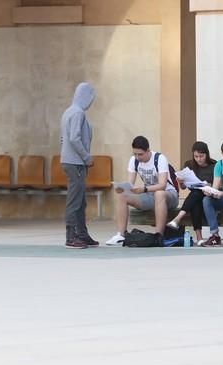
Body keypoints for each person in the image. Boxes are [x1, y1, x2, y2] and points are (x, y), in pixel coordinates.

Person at [105, 136, 179, 245]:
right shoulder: (133, 160)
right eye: (135, 154)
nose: (137, 157)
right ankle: (121, 234)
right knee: (122, 196)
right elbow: (130, 184)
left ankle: (158, 235)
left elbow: (162, 185)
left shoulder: (159, 158)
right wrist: (123, 188)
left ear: (148, 151)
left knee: (159, 194)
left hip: (168, 195)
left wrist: (144, 189)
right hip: (148, 195)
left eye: (140, 154)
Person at [60, 82, 97, 249]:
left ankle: (81, 233)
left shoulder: (68, 112)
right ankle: (72, 236)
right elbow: (74, 138)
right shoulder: (78, 113)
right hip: (76, 162)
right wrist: (86, 157)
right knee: (75, 200)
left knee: (80, 200)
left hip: (70, 160)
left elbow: (63, 139)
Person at [166, 141, 216, 245]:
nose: (198, 159)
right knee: (196, 198)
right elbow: (184, 187)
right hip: (195, 197)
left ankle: (178, 219)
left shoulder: (214, 165)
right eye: (196, 156)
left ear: (207, 154)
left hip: (209, 196)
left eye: (201, 156)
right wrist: (181, 182)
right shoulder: (189, 164)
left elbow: (218, 185)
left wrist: (210, 186)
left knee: (197, 194)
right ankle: (199, 238)